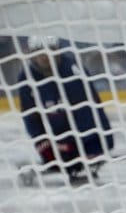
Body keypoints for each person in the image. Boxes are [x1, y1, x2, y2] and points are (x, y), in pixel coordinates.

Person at [17, 36, 114, 186]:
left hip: (89, 138)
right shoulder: (26, 77)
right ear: (31, 53)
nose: (45, 56)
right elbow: (30, 117)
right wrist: (44, 144)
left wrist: (87, 149)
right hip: (59, 138)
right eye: (39, 51)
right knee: (56, 155)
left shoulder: (73, 70)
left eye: (50, 50)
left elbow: (88, 114)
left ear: (58, 50)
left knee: (82, 158)